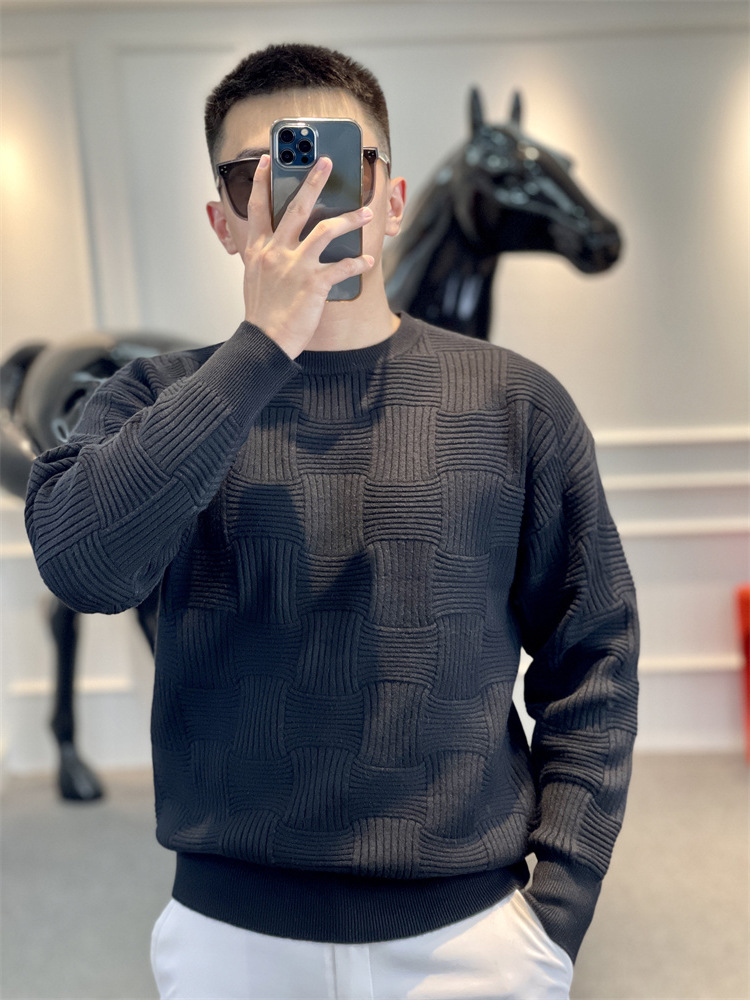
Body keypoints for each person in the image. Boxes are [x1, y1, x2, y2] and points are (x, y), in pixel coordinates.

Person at [25, 42, 639, 1000]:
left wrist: (559, 906)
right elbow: (83, 565)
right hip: (229, 942)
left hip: (475, 941)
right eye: (262, 176)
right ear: (224, 221)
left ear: (390, 200)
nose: (306, 201)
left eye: (338, 169)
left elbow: (594, 653)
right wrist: (263, 344)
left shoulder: (515, 403)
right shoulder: (152, 399)